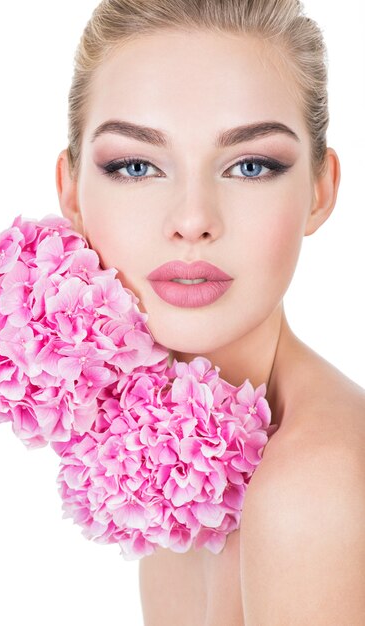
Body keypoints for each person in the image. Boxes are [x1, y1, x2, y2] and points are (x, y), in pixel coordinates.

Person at [55, 0, 365, 624]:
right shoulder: (175, 454)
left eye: (250, 166)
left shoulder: (315, 490)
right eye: (136, 166)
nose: (193, 220)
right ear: (70, 193)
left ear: (320, 190)